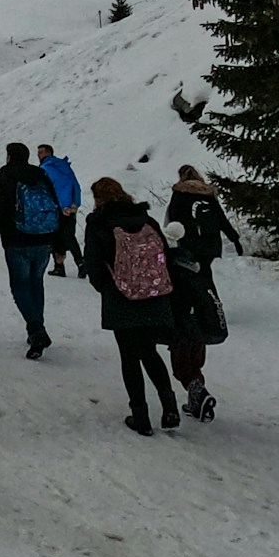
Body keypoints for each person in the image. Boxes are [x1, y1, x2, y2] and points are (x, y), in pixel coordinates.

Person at [82, 176, 181, 434]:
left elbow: (93, 264)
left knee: (129, 357)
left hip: (121, 297)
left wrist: (107, 288)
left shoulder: (98, 224)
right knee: (149, 351)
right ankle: (170, 407)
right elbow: (164, 256)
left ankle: (141, 417)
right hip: (154, 295)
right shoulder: (146, 219)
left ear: (98, 199)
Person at [163, 166, 242, 420]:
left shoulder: (179, 195)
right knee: (203, 288)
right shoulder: (209, 195)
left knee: (185, 302)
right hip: (208, 251)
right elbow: (220, 219)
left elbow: (172, 226)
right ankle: (206, 313)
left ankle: (194, 386)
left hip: (186, 254)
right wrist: (234, 238)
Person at [0, 142, 62, 358]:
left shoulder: (2, 179)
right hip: (43, 239)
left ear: (9, 156)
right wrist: (58, 241)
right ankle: (36, 328)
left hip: (16, 241)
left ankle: (37, 331)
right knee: (36, 283)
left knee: (20, 288)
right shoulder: (41, 176)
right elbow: (55, 205)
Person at [36, 142, 82, 275]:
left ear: (48, 153)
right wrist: (75, 203)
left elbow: (47, 190)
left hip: (55, 208)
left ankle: (59, 266)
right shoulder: (65, 166)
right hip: (69, 207)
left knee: (53, 236)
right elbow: (75, 185)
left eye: (41, 152)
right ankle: (81, 263)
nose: (38, 155)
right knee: (69, 236)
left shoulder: (45, 169)